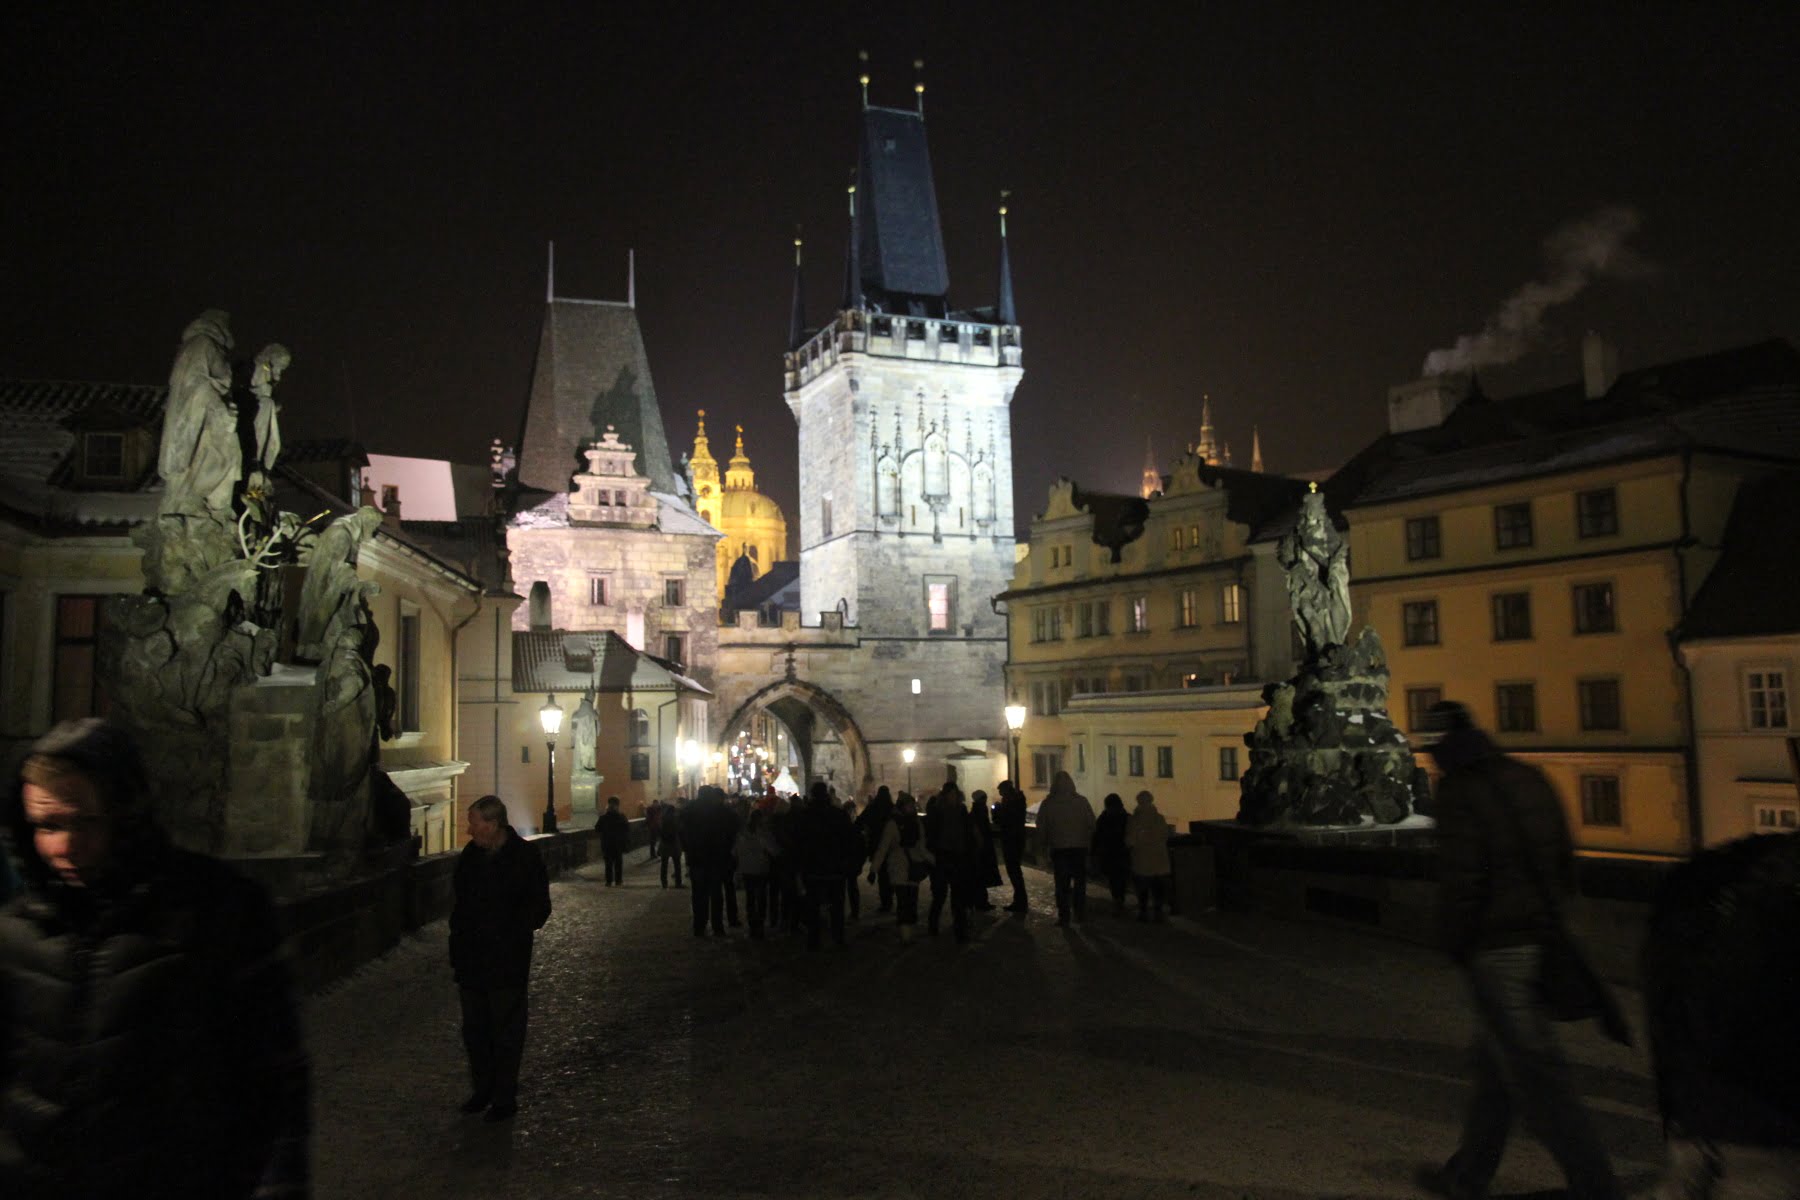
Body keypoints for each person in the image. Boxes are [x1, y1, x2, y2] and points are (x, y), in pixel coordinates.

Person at [0, 718, 309, 1197]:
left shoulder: (219, 910)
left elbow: (273, 1077)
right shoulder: (14, 933)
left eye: (83, 821)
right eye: (46, 825)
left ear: (124, 813)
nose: (63, 846)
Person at [1417, 700, 1621, 1200]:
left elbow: (1462, 881)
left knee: (1535, 1072)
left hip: (1496, 943)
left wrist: (1456, 942)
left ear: (1443, 748)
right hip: (1542, 932)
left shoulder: (1459, 792)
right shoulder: (1526, 775)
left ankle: (1595, 1185)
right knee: (1497, 1065)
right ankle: (1466, 1176)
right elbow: (1563, 858)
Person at [450, 794, 552, 1123]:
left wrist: (512, 931)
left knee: (507, 1032)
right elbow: (460, 904)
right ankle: (483, 1090)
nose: (469, 830)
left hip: (507, 960)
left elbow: (540, 906)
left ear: (492, 825)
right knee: (476, 1032)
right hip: (471, 961)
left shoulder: (524, 855)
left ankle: (504, 1097)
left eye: (474, 823)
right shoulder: (471, 855)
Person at [793, 781, 855, 949]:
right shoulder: (839, 815)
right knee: (837, 905)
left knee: (813, 905)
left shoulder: (804, 817)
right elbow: (849, 840)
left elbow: (798, 843)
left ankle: (814, 939)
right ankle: (838, 936)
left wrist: (801, 865)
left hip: (813, 868)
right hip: (835, 867)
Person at [1036, 770, 1096, 926]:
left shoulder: (1048, 803)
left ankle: (1064, 915)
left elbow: (1041, 827)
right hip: (1079, 847)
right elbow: (1091, 824)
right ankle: (1079, 912)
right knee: (1079, 883)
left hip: (1060, 847)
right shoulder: (1081, 801)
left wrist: (1042, 847)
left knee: (1062, 884)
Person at [870, 793, 931, 943]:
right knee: (906, 901)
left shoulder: (905, 823)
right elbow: (883, 848)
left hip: (907, 866)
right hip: (903, 866)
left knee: (909, 902)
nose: (912, 808)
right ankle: (906, 932)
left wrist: (932, 861)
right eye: (910, 805)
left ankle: (907, 931)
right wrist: (874, 869)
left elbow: (884, 847)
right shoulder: (909, 823)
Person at [683, 786, 740, 937]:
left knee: (698, 894)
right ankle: (717, 926)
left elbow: (682, 830)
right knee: (716, 894)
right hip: (717, 857)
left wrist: (688, 849)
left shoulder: (690, 809)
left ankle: (699, 926)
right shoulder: (720, 810)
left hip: (697, 858)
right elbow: (734, 827)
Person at [924, 782, 976, 941]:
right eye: (950, 794)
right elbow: (931, 834)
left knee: (958, 895)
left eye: (954, 794)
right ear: (945, 795)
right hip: (941, 857)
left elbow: (968, 832)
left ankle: (960, 930)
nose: (952, 797)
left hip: (958, 856)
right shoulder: (937, 811)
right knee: (939, 895)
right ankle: (933, 925)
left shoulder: (961, 810)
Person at [734, 808, 781, 939]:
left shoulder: (741, 834)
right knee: (761, 898)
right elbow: (774, 851)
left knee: (750, 897)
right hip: (761, 868)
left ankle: (752, 923)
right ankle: (759, 923)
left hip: (746, 869)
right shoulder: (763, 834)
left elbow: (734, 852)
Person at [1126, 790, 1172, 922]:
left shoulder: (1134, 820)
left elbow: (1130, 840)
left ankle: (1143, 912)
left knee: (1143, 890)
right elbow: (1165, 836)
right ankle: (1158, 912)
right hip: (1159, 860)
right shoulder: (1159, 818)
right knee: (1158, 889)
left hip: (1141, 861)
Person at [854, 787, 895, 913]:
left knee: (882, 875)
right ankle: (890, 899)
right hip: (892, 846)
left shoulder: (873, 808)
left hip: (876, 843)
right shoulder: (892, 808)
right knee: (891, 873)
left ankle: (885, 902)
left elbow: (859, 822)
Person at [1092, 792, 1131, 915]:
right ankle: (1120, 899)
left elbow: (1096, 835)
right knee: (1121, 877)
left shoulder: (1103, 818)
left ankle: (1117, 899)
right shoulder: (1126, 817)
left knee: (1114, 878)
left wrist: (1094, 851)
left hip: (1109, 853)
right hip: (1123, 852)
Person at [994, 779, 1029, 912]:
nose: (1001, 794)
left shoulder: (1011, 802)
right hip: (1016, 839)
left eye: (1001, 792)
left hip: (1011, 839)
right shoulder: (1017, 800)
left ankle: (1020, 902)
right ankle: (1019, 900)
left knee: (1014, 871)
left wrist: (997, 811)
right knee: (1015, 871)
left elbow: (1003, 820)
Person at [968, 788, 1001, 910]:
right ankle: (981, 902)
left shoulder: (977, 810)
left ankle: (980, 901)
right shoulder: (980, 810)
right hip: (981, 847)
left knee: (980, 874)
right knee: (981, 874)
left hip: (981, 846)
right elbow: (980, 828)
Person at [596, 795, 630, 886]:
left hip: (607, 844)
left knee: (608, 864)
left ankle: (608, 881)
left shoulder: (603, 817)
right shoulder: (621, 816)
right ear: (618, 806)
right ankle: (618, 881)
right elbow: (627, 829)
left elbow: (597, 829)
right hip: (618, 844)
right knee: (618, 863)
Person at [658, 797, 684, 888]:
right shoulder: (675, 819)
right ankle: (678, 883)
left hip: (664, 844)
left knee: (664, 865)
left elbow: (659, 831)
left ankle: (664, 883)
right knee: (677, 864)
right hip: (674, 843)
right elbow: (679, 829)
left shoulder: (662, 819)